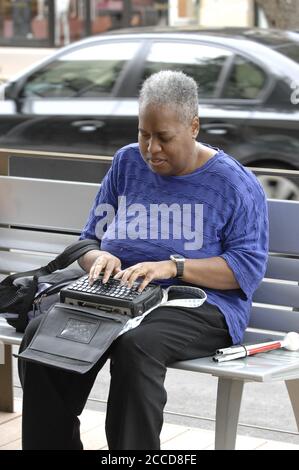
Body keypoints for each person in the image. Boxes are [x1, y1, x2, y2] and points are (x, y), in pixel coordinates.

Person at [18, 70, 269, 450]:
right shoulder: (126, 163)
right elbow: (90, 239)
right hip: (118, 296)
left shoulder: (233, 184)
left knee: (136, 345)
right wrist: (97, 258)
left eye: (164, 137)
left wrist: (173, 267)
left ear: (194, 127)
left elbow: (246, 268)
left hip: (198, 304)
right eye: (143, 134)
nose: (151, 148)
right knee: (41, 337)